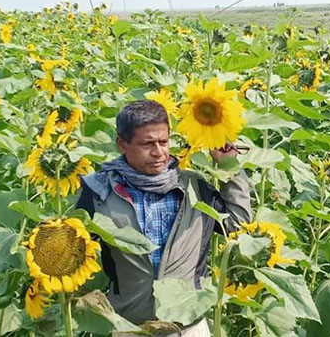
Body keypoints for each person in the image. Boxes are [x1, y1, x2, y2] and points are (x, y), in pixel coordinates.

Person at [76, 100, 252, 336]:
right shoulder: (99, 192)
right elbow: (74, 250)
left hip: (189, 327)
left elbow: (236, 226)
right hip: (129, 326)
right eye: (147, 144)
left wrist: (229, 166)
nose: (158, 152)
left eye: (163, 142)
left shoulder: (194, 187)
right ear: (122, 144)